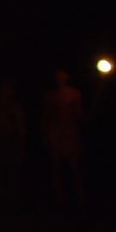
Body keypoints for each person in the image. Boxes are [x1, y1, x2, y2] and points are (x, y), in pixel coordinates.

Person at [42, 68, 85, 207]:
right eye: (57, 74)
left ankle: (80, 198)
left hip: (70, 130)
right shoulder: (50, 95)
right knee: (56, 166)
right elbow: (46, 116)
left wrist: (81, 118)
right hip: (56, 131)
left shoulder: (75, 93)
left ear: (67, 76)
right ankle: (60, 199)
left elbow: (78, 114)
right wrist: (46, 135)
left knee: (74, 165)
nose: (60, 77)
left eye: (62, 74)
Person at [0, 79, 27, 210]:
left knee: (13, 174)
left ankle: (13, 204)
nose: (6, 92)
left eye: (8, 89)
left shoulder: (15, 108)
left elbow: (21, 128)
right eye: (4, 89)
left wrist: (20, 144)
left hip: (12, 143)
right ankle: (1, 204)